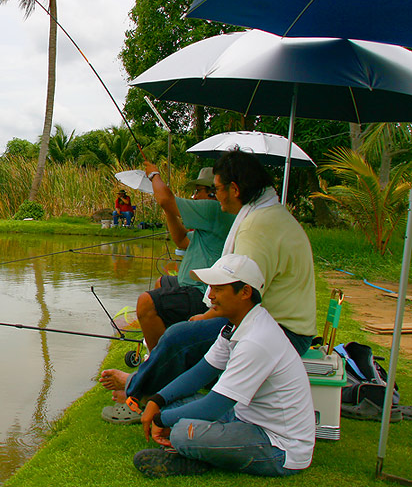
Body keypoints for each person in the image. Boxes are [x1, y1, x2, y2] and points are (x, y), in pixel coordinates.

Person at [99, 150, 316, 422]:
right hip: (275, 323)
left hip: (283, 333)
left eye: (216, 189)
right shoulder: (266, 215)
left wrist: (206, 315)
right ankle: (150, 387)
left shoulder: (256, 227)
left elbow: (242, 295)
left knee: (179, 337)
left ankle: (137, 397)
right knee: (189, 337)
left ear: (234, 189)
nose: (215, 196)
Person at [133, 254, 315, 478]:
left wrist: (160, 419)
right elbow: (201, 372)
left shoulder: (256, 340)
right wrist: (157, 401)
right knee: (174, 407)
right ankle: (198, 452)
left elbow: (214, 406)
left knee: (181, 432)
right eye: (210, 288)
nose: (210, 297)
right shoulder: (234, 327)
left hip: (278, 446)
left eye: (218, 289)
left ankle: (192, 455)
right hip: (244, 418)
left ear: (245, 292)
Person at [132, 164, 234, 351]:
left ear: (213, 193)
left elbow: (166, 199)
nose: (194, 196)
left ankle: (157, 361)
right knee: (162, 282)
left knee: (146, 302)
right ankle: (171, 341)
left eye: (198, 191)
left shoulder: (213, 210)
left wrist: (154, 175)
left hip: (202, 292)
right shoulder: (210, 226)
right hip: (189, 284)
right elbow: (181, 241)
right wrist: (169, 211)